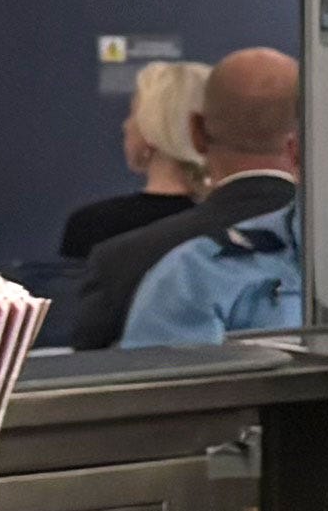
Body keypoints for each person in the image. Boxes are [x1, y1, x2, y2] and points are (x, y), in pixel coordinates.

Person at [55, 47, 297, 348]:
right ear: (301, 141)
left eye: (132, 113)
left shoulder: (122, 262)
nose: (124, 125)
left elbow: (89, 379)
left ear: (196, 131)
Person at [53, 60, 206, 266]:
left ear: (152, 130)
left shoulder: (94, 225)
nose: (125, 125)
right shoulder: (235, 224)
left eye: (133, 113)